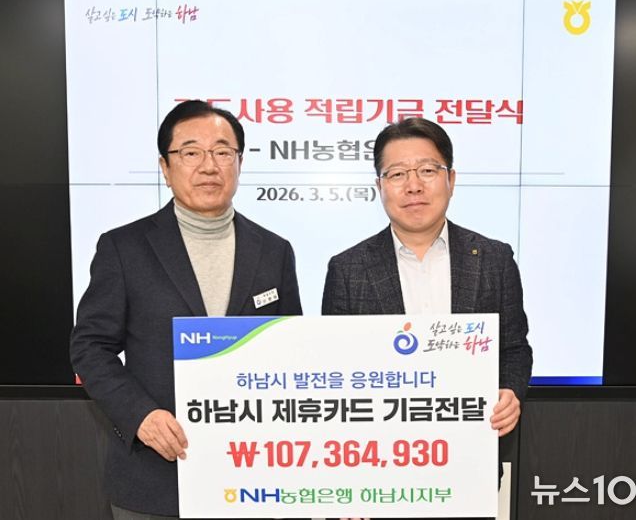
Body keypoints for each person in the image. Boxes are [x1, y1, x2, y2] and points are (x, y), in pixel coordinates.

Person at [71, 100, 302, 519]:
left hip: (254, 475)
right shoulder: (124, 248)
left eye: (223, 152)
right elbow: (90, 347)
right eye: (191, 152)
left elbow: (291, 349)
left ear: (240, 162)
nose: (209, 166)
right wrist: (140, 415)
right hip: (155, 478)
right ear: (165, 166)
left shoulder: (274, 250)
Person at [322, 117, 533, 495]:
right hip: (377, 469)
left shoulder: (494, 259)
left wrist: (510, 392)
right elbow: (335, 370)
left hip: (468, 463)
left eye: (427, 170)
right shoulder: (347, 269)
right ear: (379, 186)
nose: (414, 185)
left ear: (451, 179)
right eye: (397, 174)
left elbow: (515, 348)